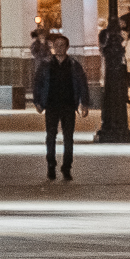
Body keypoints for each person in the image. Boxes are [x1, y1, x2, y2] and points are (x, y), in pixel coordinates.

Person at [34, 30, 88, 180]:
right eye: (56, 45)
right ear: (53, 47)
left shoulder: (74, 65)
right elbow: (37, 83)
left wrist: (84, 103)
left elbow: (82, 84)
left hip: (68, 105)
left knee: (68, 137)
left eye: (62, 45)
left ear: (67, 47)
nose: (59, 48)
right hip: (51, 105)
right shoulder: (46, 65)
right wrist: (37, 101)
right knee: (50, 136)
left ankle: (66, 167)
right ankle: (51, 165)